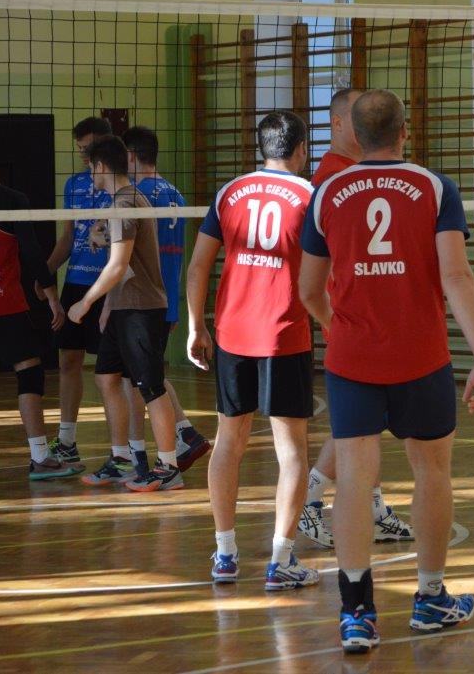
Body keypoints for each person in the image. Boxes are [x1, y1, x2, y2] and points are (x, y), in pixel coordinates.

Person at [300, 89, 474, 654]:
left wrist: (338, 327)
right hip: (421, 356)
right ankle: (430, 598)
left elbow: (309, 289)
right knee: (432, 472)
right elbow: (455, 276)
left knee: (354, 480)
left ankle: (357, 613)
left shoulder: (327, 192)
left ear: (354, 135)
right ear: (404, 132)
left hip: (352, 360)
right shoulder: (435, 187)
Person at [187, 111, 319, 591]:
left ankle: (225, 553)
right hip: (284, 333)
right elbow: (326, 274)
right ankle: (281, 561)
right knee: (292, 450)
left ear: (260, 147)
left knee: (229, 441)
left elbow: (198, 265)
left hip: (232, 334)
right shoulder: (310, 196)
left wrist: (195, 325)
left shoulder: (229, 193)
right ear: (301, 149)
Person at [298, 87, 414, 550]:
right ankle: (309, 499)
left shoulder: (363, 173)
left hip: (370, 316)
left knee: (369, 423)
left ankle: (373, 507)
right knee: (361, 422)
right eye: (357, 115)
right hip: (349, 317)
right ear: (338, 124)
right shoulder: (332, 178)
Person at [67, 136, 180, 492]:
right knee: (106, 377)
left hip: (142, 309)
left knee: (151, 387)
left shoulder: (127, 202)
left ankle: (168, 467)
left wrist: (86, 303)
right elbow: (124, 265)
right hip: (123, 307)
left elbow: (118, 266)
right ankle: (121, 459)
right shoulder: (121, 202)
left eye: (91, 167)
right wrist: (109, 308)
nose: (90, 173)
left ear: (101, 166)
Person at [0, 140, 79, 481]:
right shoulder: (13, 199)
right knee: (29, 372)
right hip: (5, 304)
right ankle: (40, 457)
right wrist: (53, 297)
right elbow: (32, 254)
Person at [120, 126, 211, 471]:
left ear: (130, 156)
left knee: (144, 378)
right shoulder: (175, 193)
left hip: (146, 297)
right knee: (148, 372)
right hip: (169, 294)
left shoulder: (137, 195)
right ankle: (183, 433)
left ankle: (146, 451)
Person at [47, 116, 114, 465]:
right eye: (80, 150)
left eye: (89, 148)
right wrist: (46, 270)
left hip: (109, 284)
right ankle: (67, 441)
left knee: (110, 372)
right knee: (68, 360)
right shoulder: (73, 184)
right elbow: (68, 238)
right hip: (76, 282)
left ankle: (121, 450)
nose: (84, 155)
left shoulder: (121, 185)